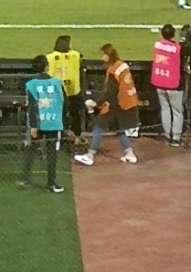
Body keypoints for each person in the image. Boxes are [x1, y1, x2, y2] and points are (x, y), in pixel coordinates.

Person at [74, 43, 140, 165]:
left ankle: (90, 155)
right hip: (128, 101)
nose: (102, 58)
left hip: (118, 103)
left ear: (109, 55)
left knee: (98, 127)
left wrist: (96, 104)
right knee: (119, 128)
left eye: (103, 55)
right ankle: (129, 153)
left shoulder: (113, 71)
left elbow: (110, 92)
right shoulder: (122, 66)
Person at [22, 56, 67, 192]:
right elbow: (65, 103)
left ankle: (25, 179)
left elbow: (32, 107)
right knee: (52, 154)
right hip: (54, 123)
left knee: (31, 150)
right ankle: (51, 183)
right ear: (47, 66)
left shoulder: (31, 84)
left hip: (39, 123)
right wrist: (63, 121)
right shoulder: (58, 83)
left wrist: (33, 126)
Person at [150, 25, 186, 146]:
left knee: (165, 109)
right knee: (177, 111)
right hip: (173, 83)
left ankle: (167, 136)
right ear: (173, 34)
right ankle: (176, 138)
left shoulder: (157, 45)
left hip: (159, 81)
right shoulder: (177, 48)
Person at [46, 35, 84, 144]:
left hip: (57, 92)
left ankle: (59, 138)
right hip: (73, 90)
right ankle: (77, 137)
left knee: (58, 115)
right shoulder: (75, 55)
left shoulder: (50, 57)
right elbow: (80, 58)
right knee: (75, 114)